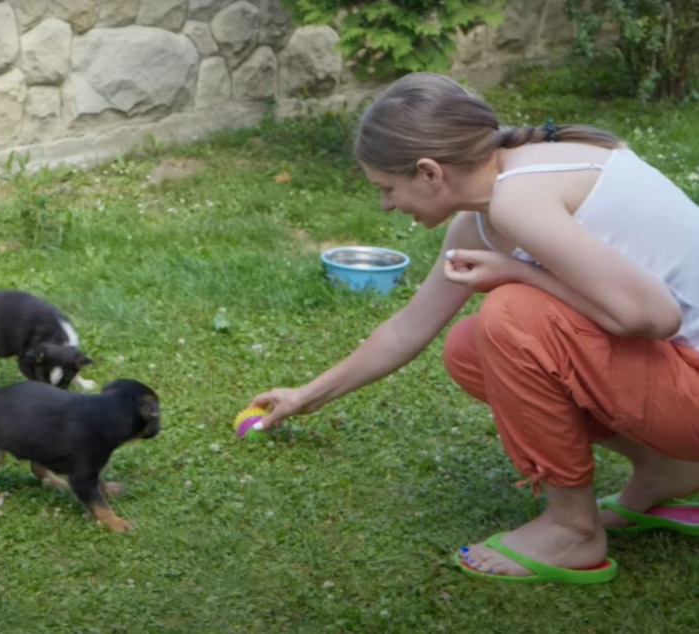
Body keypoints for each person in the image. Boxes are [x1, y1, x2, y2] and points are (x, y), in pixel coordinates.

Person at [249, 72, 699, 584]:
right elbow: (406, 329)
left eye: (387, 188)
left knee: (512, 318)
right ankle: (669, 470)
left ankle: (573, 529)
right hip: (681, 377)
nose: (386, 205)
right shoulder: (501, 197)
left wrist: (519, 273)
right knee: (469, 349)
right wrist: (306, 396)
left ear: (428, 171)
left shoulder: (518, 199)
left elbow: (655, 316)